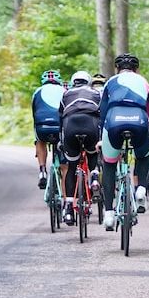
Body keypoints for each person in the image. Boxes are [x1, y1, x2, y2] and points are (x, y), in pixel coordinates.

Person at [100, 53, 149, 229]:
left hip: (114, 122)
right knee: (143, 155)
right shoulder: (144, 82)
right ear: (136, 69)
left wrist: (101, 136)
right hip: (138, 121)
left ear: (117, 68)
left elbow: (101, 113)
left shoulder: (110, 82)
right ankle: (140, 189)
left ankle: (109, 214)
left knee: (109, 164)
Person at [58, 71, 101, 226]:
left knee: (71, 166)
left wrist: (61, 140)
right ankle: (95, 176)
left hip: (71, 125)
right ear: (88, 81)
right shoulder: (96, 93)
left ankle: (69, 208)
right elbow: (102, 116)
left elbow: (60, 118)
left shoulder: (66, 94)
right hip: (90, 125)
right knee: (93, 154)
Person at [32, 69, 65, 189]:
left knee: (39, 140)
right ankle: (67, 195)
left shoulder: (37, 92)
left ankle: (42, 171)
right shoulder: (65, 90)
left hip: (42, 127)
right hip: (60, 127)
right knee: (65, 147)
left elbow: (34, 113)